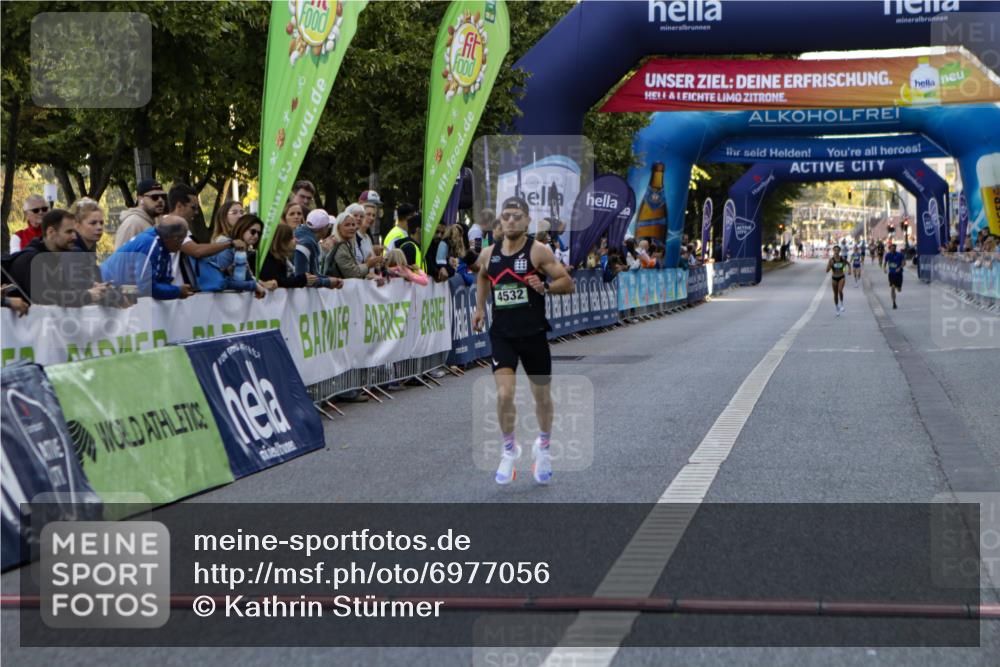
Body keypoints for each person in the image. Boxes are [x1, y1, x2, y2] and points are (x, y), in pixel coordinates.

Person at [472, 196, 574, 486]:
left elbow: (568, 283)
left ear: (527, 221)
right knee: (504, 395)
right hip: (503, 335)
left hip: (533, 334)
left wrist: (545, 287)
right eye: (506, 216)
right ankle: (509, 449)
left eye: (517, 216)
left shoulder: (538, 251)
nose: (511, 221)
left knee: (542, 396)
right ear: (500, 221)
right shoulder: (489, 254)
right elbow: (482, 276)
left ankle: (543, 446)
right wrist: (480, 308)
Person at [7, 209, 110, 307]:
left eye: (75, 232)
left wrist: (90, 287)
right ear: (51, 232)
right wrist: (88, 295)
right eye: (69, 232)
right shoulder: (31, 259)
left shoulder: (53, 259)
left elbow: (63, 291)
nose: (75, 237)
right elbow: (46, 298)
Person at [101, 216, 195, 300]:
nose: (181, 245)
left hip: (122, 287)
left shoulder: (164, 246)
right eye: (182, 240)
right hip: (106, 285)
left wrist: (174, 290)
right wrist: (177, 291)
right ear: (175, 239)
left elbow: (163, 282)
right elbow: (145, 287)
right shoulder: (150, 243)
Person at [197, 214, 269, 297]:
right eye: (253, 232)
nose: (256, 236)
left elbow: (247, 278)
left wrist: (261, 284)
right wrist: (253, 286)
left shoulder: (242, 250)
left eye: (259, 233)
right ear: (242, 228)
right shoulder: (227, 247)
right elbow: (222, 281)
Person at [115, 179, 167, 248]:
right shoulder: (132, 224)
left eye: (163, 197)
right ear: (140, 199)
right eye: (154, 197)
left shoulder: (154, 223)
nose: (160, 200)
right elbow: (122, 254)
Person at [258, 224, 313, 288]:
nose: (297, 240)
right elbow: (278, 281)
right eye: (292, 238)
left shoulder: (281, 258)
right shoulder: (268, 259)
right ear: (282, 241)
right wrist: (301, 279)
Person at [293, 209, 337, 288]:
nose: (328, 229)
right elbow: (304, 279)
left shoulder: (303, 236)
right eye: (328, 226)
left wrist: (328, 279)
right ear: (323, 228)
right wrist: (328, 282)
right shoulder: (307, 243)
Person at [826, 244, 848, 316]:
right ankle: (837, 308)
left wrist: (846, 270)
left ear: (839, 251)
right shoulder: (831, 260)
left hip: (841, 277)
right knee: (835, 294)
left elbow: (847, 264)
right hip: (834, 278)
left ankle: (842, 304)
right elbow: (827, 270)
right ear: (833, 251)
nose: (836, 252)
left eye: (837, 250)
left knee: (840, 290)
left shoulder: (842, 259)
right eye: (835, 250)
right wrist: (830, 266)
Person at [884, 242, 905, 310]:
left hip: (899, 274)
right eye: (891, 248)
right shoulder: (888, 255)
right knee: (892, 288)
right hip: (891, 274)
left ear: (895, 249)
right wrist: (884, 268)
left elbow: (904, 263)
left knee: (899, 290)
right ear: (889, 249)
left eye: (893, 248)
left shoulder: (900, 255)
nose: (892, 249)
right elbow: (885, 262)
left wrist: (900, 268)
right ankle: (894, 303)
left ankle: (897, 286)